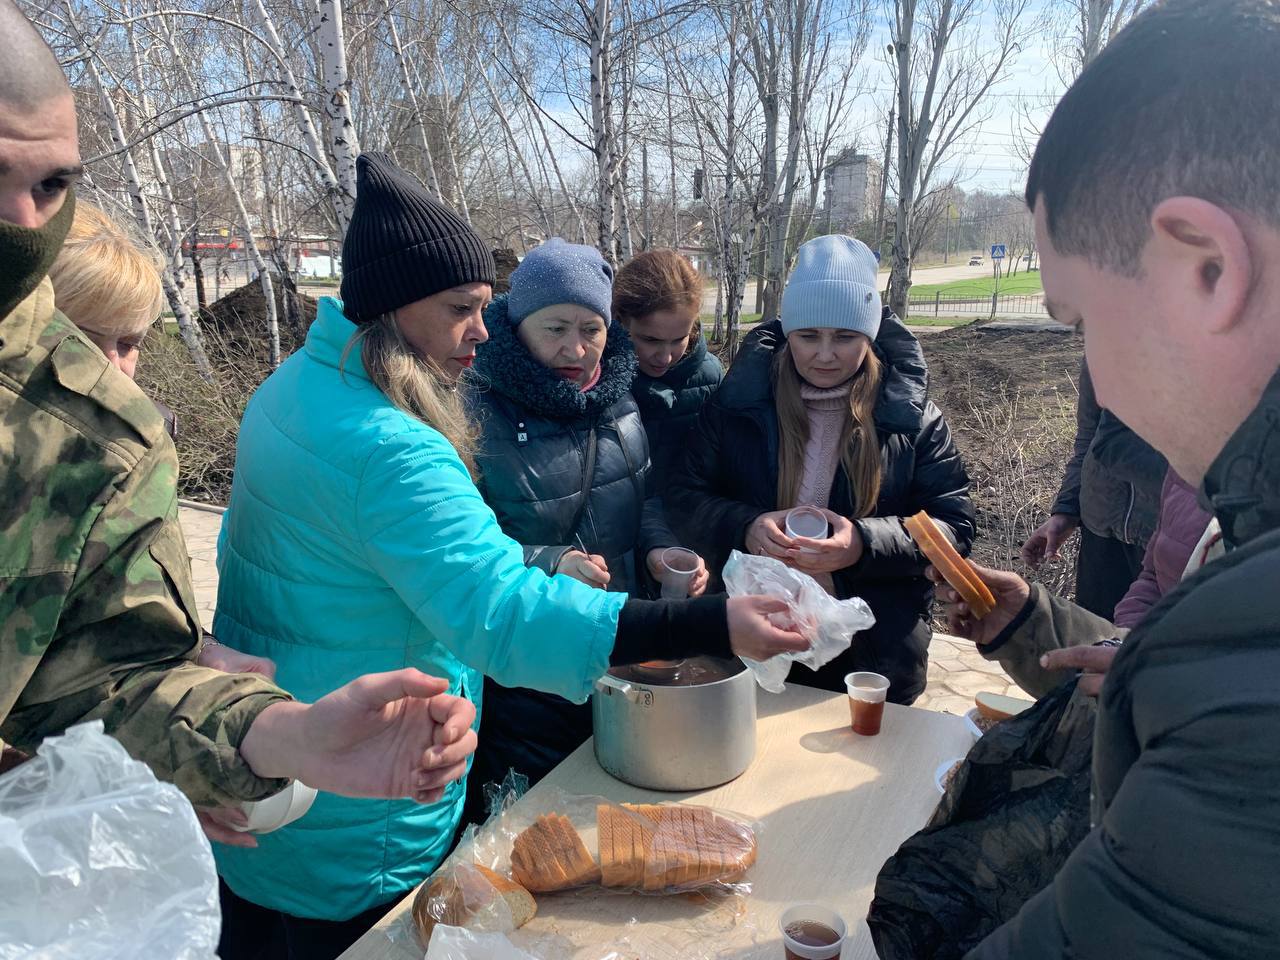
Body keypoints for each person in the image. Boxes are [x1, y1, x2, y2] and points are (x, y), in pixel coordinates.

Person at [208, 153, 806, 959]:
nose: (481, 332)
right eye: (463, 308)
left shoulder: (292, 387)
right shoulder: (392, 446)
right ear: (394, 304)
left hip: (266, 768)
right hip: (362, 802)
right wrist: (710, 622)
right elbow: (505, 615)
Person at [0, 0, 475, 832]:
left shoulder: (94, 434)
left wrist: (274, 737)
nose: (24, 224)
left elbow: (107, 676)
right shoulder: (370, 430)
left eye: (52, 184)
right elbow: (494, 606)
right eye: (461, 307)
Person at [928, 2, 1280, 954]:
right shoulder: (1239, 531)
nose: (1098, 378)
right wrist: (1032, 628)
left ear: (1206, 268)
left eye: (1079, 320)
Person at [462, 239, 710, 819]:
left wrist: (661, 548)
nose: (575, 348)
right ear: (518, 323)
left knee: (617, 823)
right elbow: (457, 549)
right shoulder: (473, 409)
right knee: (537, 829)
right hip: (526, 669)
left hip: (615, 650)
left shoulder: (618, 399)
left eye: (591, 328)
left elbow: (644, 499)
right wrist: (550, 562)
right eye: (555, 328)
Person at [669, 234, 975, 702]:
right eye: (808, 336)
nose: (825, 354)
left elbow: (954, 524)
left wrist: (863, 543)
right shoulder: (738, 404)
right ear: (788, 333)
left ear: (869, 336)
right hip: (757, 640)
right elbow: (684, 495)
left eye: (846, 337)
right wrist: (746, 526)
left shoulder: (911, 417)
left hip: (874, 650)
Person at [1021, 360, 1167, 617]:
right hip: (1100, 532)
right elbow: (1087, 439)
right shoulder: (1103, 339)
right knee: (1097, 639)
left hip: (1166, 538)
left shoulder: (1201, 345)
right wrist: (1066, 510)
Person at [612, 248, 724, 490]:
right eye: (650, 340)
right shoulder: (599, 379)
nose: (665, 357)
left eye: (678, 340)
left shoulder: (711, 376)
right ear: (620, 321)